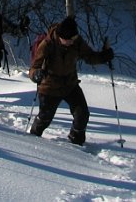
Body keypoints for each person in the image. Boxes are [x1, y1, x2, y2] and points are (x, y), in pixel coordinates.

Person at [28, 15, 113, 145]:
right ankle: (31, 138)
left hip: (70, 84)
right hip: (50, 86)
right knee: (45, 117)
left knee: (82, 114)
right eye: (68, 40)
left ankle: (76, 141)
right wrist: (36, 75)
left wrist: (104, 56)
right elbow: (34, 67)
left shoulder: (76, 41)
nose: (71, 42)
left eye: (73, 38)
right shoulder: (47, 44)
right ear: (61, 37)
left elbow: (89, 57)